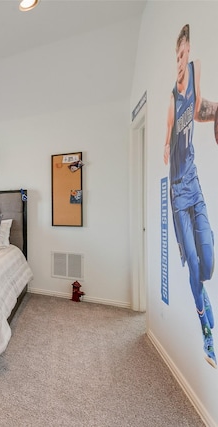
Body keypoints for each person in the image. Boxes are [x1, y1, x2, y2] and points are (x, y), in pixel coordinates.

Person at [164, 24, 218, 368]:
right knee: (194, 266)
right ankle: (206, 329)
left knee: (208, 263)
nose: (182, 61)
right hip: (176, 195)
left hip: (194, 185)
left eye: (185, 54)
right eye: (178, 56)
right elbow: (169, 132)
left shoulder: (196, 74)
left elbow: (200, 112)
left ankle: (204, 300)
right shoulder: (172, 94)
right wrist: (166, 145)